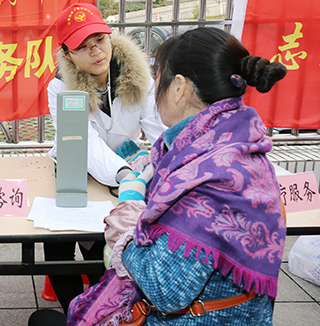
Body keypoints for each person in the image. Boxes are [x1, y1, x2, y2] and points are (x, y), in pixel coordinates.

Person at [30, 27, 287, 326]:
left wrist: (127, 224)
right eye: (83, 46)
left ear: (178, 87)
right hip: (237, 316)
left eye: (160, 78)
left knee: (43, 320)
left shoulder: (204, 177)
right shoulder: (239, 146)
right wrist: (152, 167)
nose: (154, 90)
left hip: (192, 319)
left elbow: (165, 289)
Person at [45, 2, 167, 313]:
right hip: (76, 167)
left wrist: (173, 164)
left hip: (126, 172)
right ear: (68, 54)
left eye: (100, 39)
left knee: (105, 246)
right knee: (59, 243)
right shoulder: (59, 87)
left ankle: (103, 307)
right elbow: (83, 142)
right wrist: (126, 176)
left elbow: (158, 129)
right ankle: (75, 313)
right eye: (83, 46)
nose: (96, 51)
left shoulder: (139, 76)